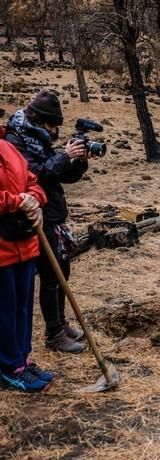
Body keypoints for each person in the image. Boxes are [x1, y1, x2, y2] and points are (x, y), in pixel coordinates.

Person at [5, 89, 87, 354]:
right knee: (51, 275)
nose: (53, 131)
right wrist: (63, 156)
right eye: (51, 124)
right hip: (35, 217)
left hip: (53, 213)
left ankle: (61, 324)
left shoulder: (36, 138)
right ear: (38, 119)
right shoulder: (15, 141)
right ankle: (53, 334)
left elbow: (59, 177)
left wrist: (78, 162)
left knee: (62, 271)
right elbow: (36, 175)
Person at [0, 133, 54, 392]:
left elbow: (33, 180)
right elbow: (12, 197)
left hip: (24, 243)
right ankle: (9, 367)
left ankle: (23, 359)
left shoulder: (7, 147)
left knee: (22, 306)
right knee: (5, 310)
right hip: (2, 248)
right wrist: (17, 201)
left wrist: (34, 196)